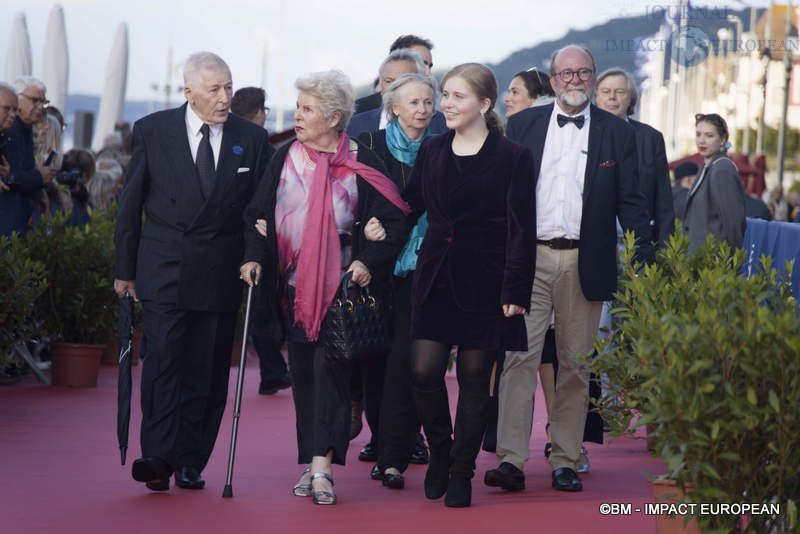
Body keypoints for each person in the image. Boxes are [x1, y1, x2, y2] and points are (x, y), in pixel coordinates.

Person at [484, 44, 654, 494]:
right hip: (530, 258)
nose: (575, 79)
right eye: (566, 73)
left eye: (583, 72)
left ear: (593, 78)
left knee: (576, 365)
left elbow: (632, 204)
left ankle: (565, 458)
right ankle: (511, 460)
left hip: (587, 259)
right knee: (519, 359)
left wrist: (646, 268)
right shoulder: (521, 125)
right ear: (554, 79)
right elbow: (499, 198)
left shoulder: (618, 134)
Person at [240, 69, 409, 506]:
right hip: (294, 289)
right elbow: (256, 214)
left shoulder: (362, 161)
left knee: (328, 374)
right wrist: (254, 255)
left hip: (342, 288)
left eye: (307, 109)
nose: (298, 115)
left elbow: (394, 220)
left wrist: (368, 261)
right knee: (304, 377)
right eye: (298, 107)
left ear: (334, 117)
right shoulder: (283, 159)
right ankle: (315, 461)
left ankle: (321, 468)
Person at [114, 51, 273, 493]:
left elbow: (257, 210)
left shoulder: (252, 139)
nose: (225, 98)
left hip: (222, 270)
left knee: (206, 370)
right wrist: (124, 270)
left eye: (228, 88)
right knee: (163, 362)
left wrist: (253, 254)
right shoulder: (153, 130)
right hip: (164, 265)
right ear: (189, 92)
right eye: (214, 90)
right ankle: (157, 456)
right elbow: (130, 205)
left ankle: (191, 459)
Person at [405, 63, 535, 508]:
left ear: (483, 104)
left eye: (457, 96)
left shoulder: (513, 156)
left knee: (476, 378)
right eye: (445, 94)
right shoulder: (433, 149)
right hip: (436, 276)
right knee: (423, 370)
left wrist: (516, 291)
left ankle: (462, 469)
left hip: (487, 282)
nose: (446, 104)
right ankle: (441, 451)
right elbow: (410, 203)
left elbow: (522, 228)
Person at [357, 73, 437, 489]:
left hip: (421, 269)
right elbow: (355, 202)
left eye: (428, 102)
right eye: (413, 103)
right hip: (375, 266)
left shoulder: (441, 148)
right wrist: (364, 230)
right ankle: (383, 444)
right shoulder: (370, 146)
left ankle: (393, 457)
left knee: (403, 362)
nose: (422, 110)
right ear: (394, 107)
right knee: (374, 362)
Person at [230, 86, 289, 395]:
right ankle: (272, 369)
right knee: (262, 306)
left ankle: (272, 370)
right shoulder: (262, 147)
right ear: (258, 113)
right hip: (257, 234)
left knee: (257, 307)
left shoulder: (229, 140)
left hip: (234, 234)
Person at [595, 68, 674, 247]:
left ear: (631, 98)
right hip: (593, 245)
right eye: (605, 92)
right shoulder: (583, 135)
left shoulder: (650, 138)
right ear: (596, 98)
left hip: (638, 243)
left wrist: (666, 251)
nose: (612, 97)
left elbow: (664, 202)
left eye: (620, 92)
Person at [346, 49, 447, 138]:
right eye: (389, 81)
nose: (394, 88)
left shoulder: (442, 124)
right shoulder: (354, 125)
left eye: (404, 81)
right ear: (381, 85)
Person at [1, 77, 56, 237]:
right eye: (35, 100)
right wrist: (39, 176)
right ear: (19, 98)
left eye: (43, 102)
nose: (40, 107)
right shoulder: (11, 131)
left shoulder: (23, 130)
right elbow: (13, 178)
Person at [684, 113, 746, 250]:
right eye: (698, 134)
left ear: (723, 139)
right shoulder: (708, 166)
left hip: (713, 260)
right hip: (700, 257)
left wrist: (732, 261)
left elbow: (733, 221)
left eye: (709, 135)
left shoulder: (722, 169)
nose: (701, 141)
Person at [355, 34, 435, 114]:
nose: (428, 72)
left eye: (430, 66)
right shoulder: (358, 112)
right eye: (422, 63)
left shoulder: (438, 115)